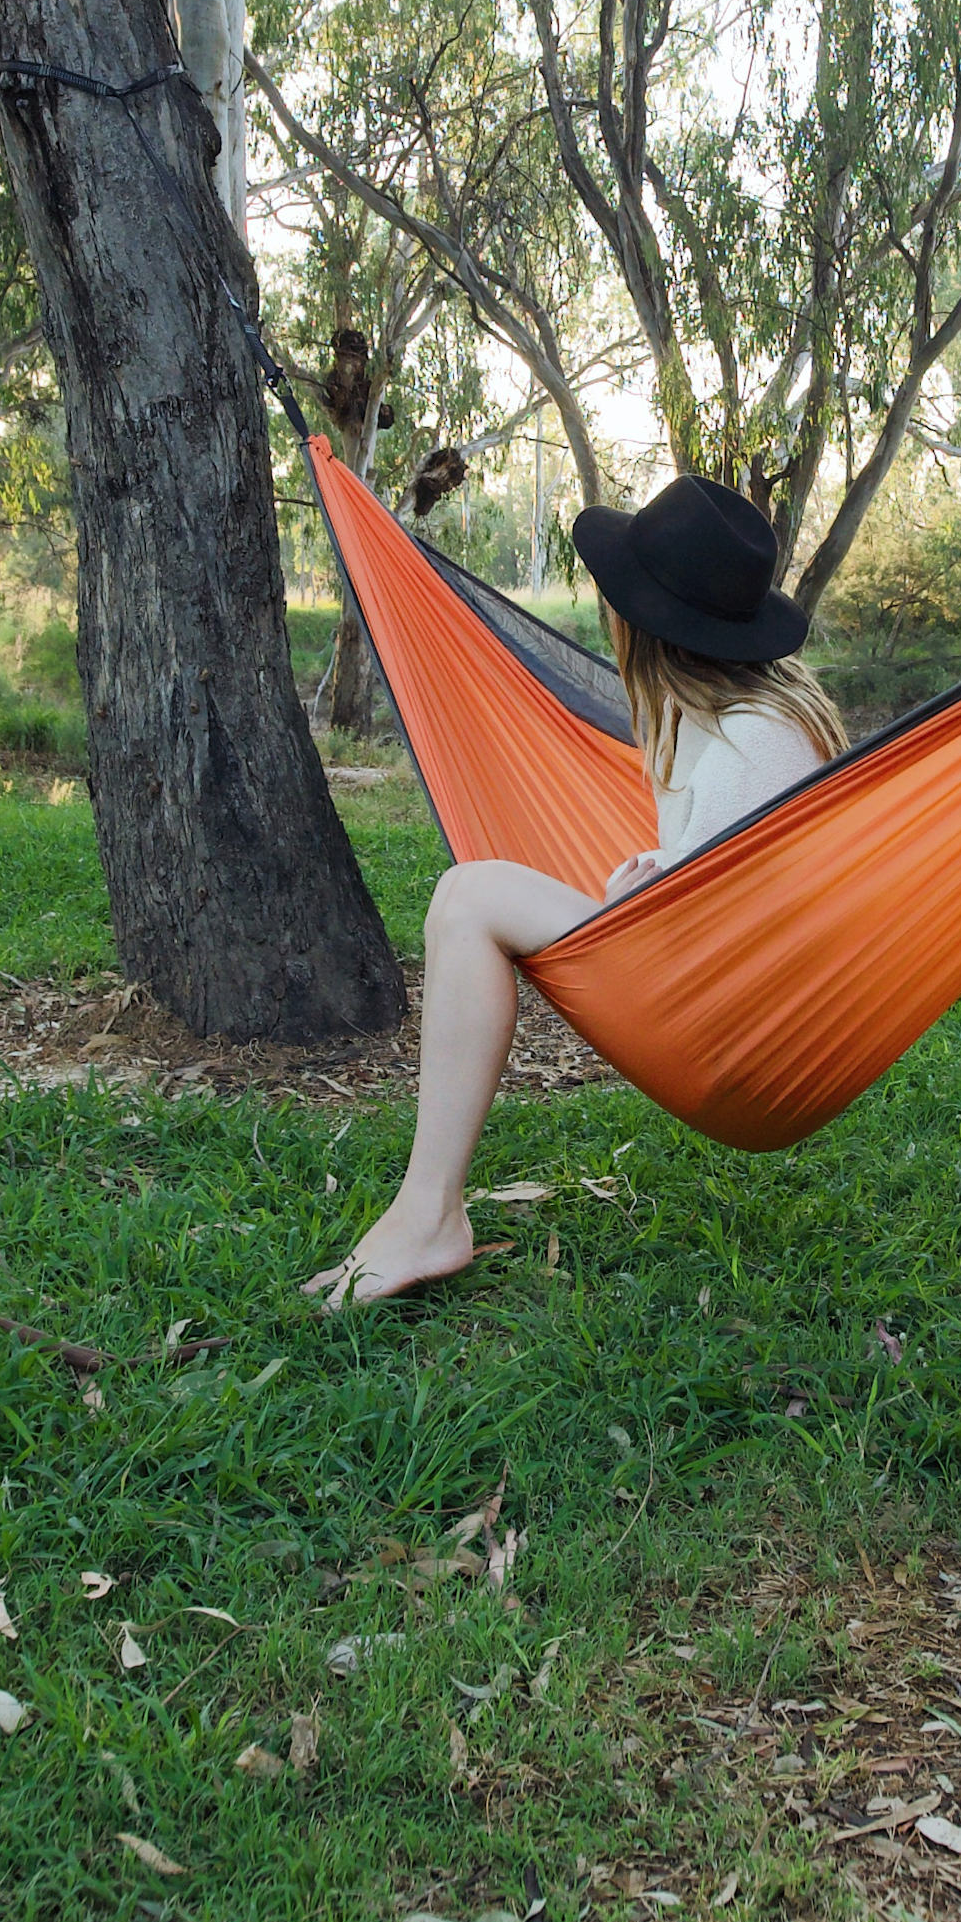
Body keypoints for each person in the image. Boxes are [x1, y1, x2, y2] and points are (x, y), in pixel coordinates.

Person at [304, 474, 846, 1309]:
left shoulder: (756, 741)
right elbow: (739, 878)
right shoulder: (732, 718)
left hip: (736, 1038)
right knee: (469, 897)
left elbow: (728, 923)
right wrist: (658, 879)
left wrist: (646, 900)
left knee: (470, 897)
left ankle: (429, 1215)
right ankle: (426, 1212)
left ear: (645, 624)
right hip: (732, 1007)